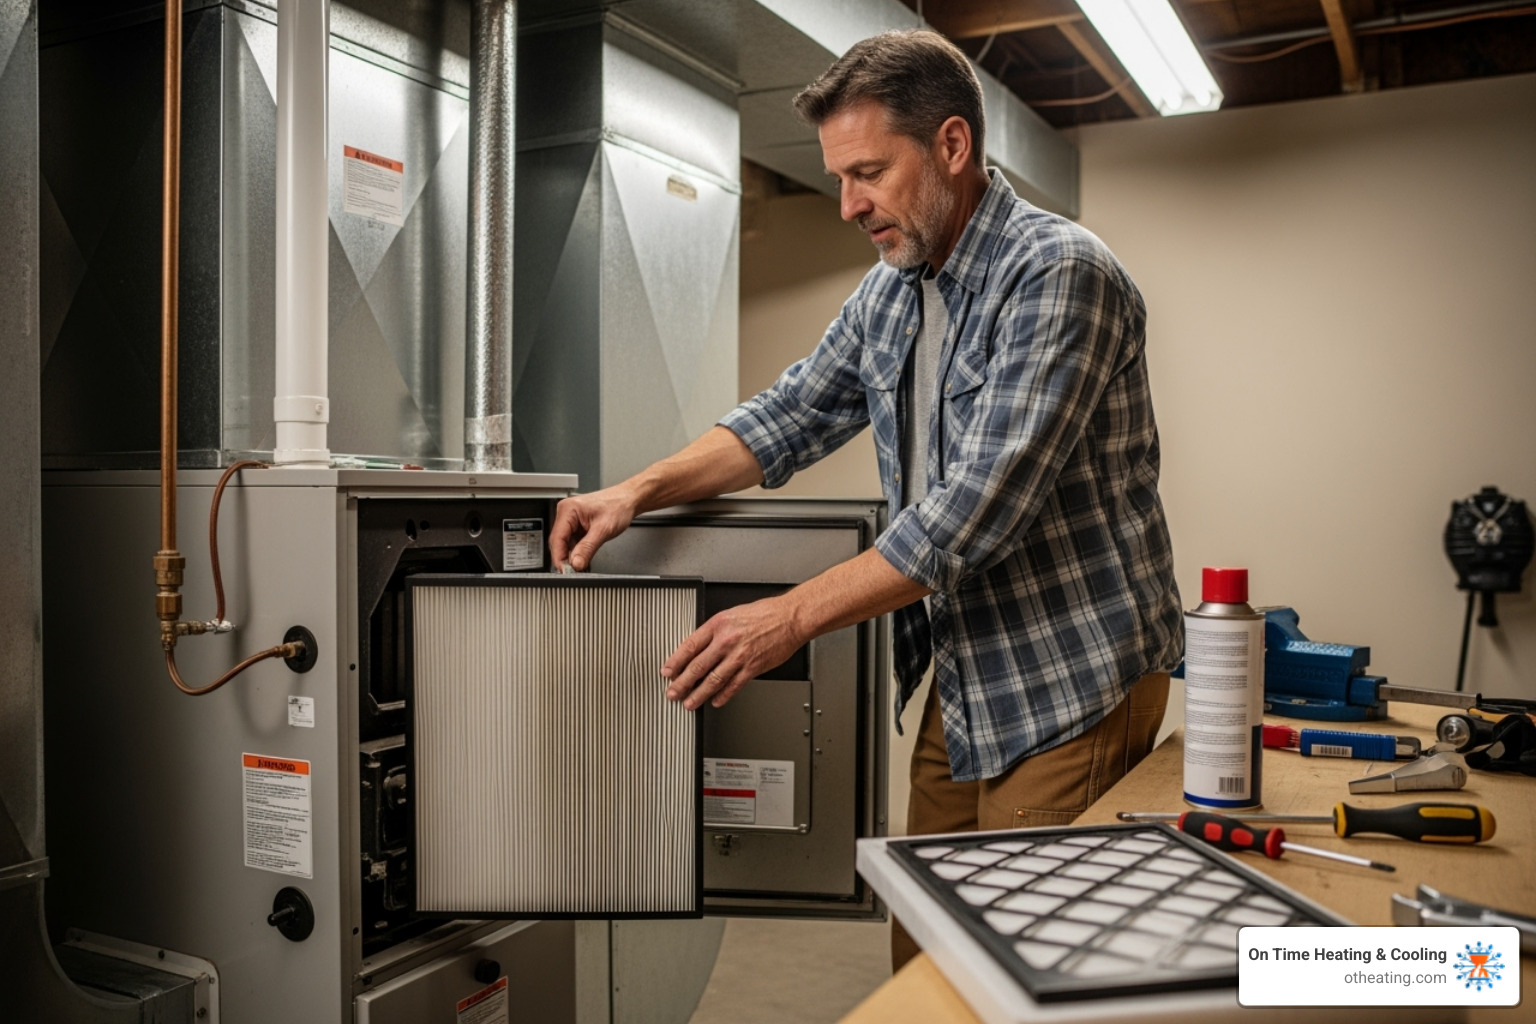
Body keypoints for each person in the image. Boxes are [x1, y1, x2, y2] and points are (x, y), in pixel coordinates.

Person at [549, 29, 1183, 969]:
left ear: (953, 148)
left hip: (1070, 680)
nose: (849, 204)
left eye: (869, 173)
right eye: (840, 177)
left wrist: (789, 618)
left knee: (1018, 971)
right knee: (923, 952)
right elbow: (787, 416)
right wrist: (635, 492)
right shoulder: (896, 288)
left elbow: (975, 511)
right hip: (967, 677)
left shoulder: (1060, 274)